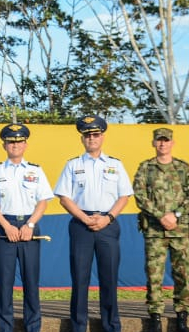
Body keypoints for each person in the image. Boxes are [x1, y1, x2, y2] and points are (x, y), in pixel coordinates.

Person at [53, 115, 133, 332]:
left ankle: (111, 325)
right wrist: (84, 218)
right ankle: (78, 326)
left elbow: (124, 196)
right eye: (87, 135)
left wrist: (108, 218)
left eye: (95, 135)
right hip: (81, 225)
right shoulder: (73, 165)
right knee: (80, 279)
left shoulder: (115, 164)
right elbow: (64, 197)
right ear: (82, 139)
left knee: (109, 279)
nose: (92, 139)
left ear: (102, 137)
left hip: (108, 223)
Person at [0, 123, 53, 332]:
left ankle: (33, 327)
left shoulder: (35, 170)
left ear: (26, 144)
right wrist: (6, 226)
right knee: (5, 283)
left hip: (29, 227)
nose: (15, 145)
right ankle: (4, 327)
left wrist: (30, 224)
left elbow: (43, 201)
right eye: (11, 141)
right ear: (4, 145)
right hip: (5, 227)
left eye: (19, 141)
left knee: (31, 282)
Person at [132, 127, 189, 332]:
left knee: (183, 274)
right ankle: (155, 318)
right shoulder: (145, 168)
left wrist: (175, 214)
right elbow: (140, 196)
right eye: (159, 140)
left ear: (172, 143)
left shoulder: (183, 168)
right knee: (154, 275)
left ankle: (182, 316)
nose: (162, 144)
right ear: (153, 143)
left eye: (166, 140)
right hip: (154, 230)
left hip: (180, 230)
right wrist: (160, 216)